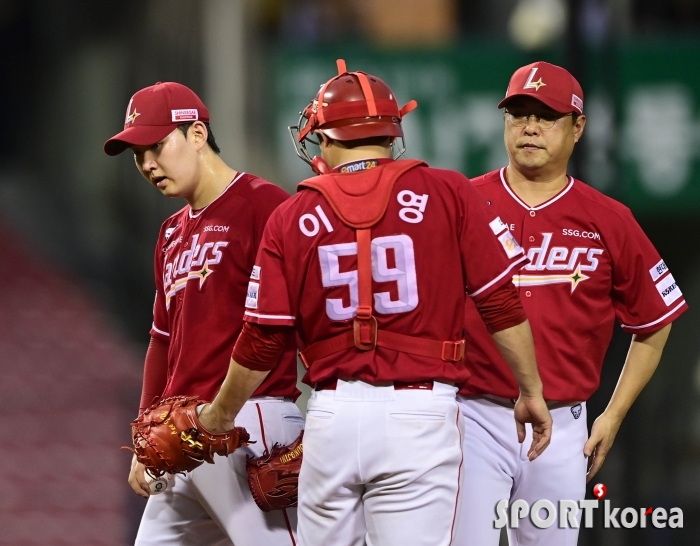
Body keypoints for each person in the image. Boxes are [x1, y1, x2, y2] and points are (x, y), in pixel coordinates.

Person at [196, 59, 553, 546]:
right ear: (392, 133)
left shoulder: (291, 214)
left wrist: (217, 416)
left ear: (324, 137)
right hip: (421, 416)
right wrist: (530, 391)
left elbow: (262, 339)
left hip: (332, 415)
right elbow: (501, 305)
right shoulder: (448, 191)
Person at [454, 61, 688, 546]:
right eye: (518, 114)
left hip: (564, 425)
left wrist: (613, 413)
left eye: (547, 115)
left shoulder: (609, 218)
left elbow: (655, 321)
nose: (530, 127)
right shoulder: (463, 204)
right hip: (473, 414)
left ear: (578, 127)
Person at [103, 82, 303, 546]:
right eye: (137, 154)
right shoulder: (170, 231)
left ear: (197, 133)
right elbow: (161, 339)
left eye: (156, 145)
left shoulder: (264, 203)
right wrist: (143, 440)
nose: (148, 164)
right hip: (181, 439)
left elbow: (303, 311)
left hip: (250, 425)